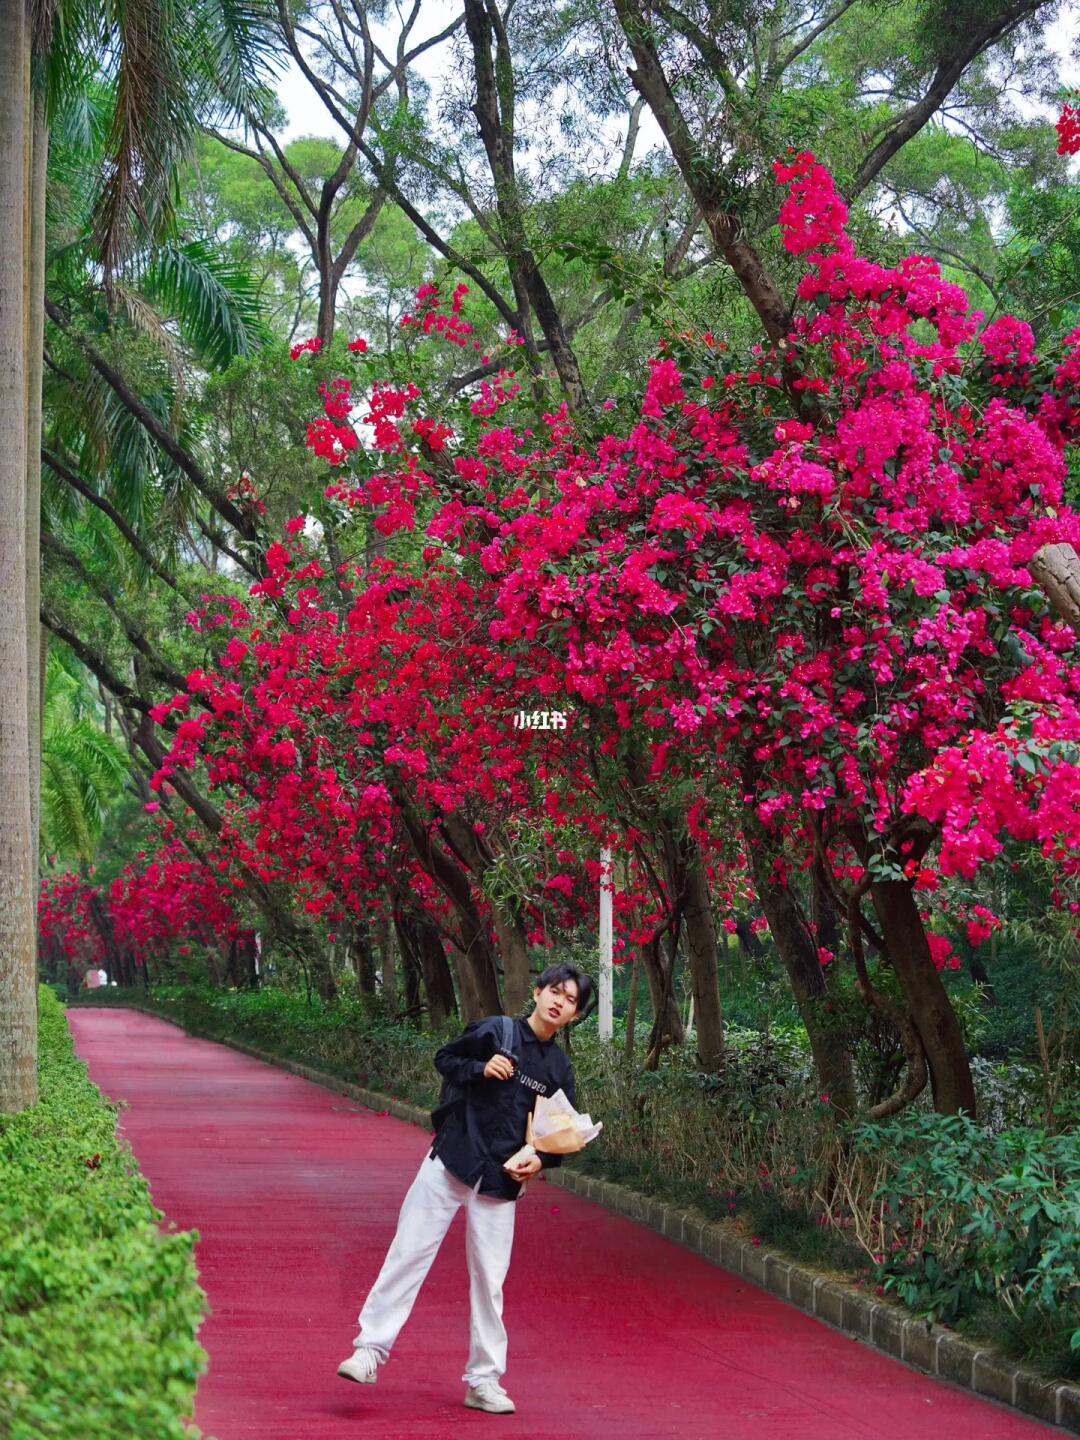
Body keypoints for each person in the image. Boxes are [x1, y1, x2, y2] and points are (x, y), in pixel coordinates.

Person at [337, 962, 594, 1415]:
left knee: (490, 1282)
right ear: (536, 992)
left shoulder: (558, 1068)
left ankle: (484, 1380)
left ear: (575, 1014)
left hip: (501, 1183)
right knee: (408, 1254)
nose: (559, 1002)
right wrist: (480, 1067)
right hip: (450, 1161)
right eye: (555, 991)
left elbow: (563, 1132)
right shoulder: (496, 1031)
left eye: (571, 1000)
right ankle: (368, 1352)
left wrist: (544, 1159)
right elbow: (445, 1059)